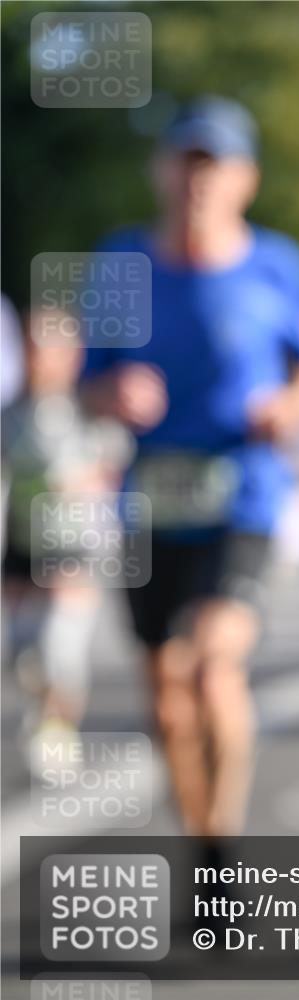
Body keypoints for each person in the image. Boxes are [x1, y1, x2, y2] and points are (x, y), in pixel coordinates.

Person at [80, 96, 299, 837]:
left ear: (244, 179)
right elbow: (86, 381)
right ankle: (204, 841)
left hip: (244, 495)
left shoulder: (277, 265)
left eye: (214, 164)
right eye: (185, 161)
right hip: (150, 502)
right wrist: (112, 392)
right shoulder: (121, 262)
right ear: (160, 171)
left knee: (211, 664)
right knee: (166, 698)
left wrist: (290, 407)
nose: (198, 179)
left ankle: (222, 836)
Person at [2, 309, 127, 772]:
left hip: (74, 544)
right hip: (21, 543)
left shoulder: (87, 409)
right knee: (20, 653)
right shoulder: (11, 413)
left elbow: (114, 462)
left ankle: (58, 727)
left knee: (59, 644)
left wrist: (77, 481)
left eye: (51, 349)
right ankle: (43, 707)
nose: (41, 359)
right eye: (33, 347)